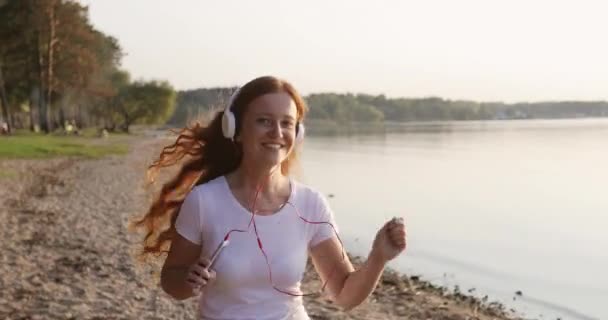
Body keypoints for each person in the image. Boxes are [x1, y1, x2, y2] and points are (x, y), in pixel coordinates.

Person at [132, 76, 407, 320]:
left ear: (297, 134)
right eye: (264, 121)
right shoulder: (204, 201)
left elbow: (345, 295)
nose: (277, 133)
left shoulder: (311, 204)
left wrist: (378, 258)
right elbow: (171, 280)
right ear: (235, 129)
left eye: (286, 123)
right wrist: (187, 281)